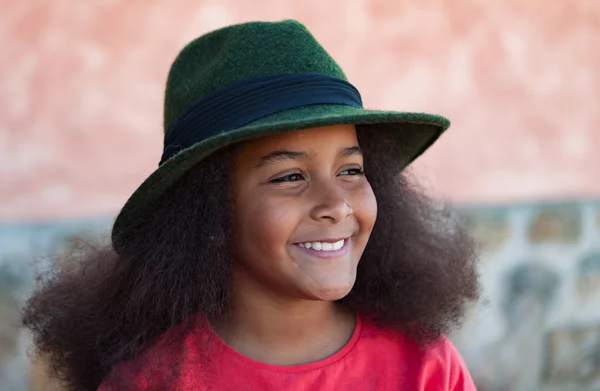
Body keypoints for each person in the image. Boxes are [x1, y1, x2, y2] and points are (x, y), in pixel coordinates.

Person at [22, 20, 480, 390]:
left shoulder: (425, 369)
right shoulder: (156, 382)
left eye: (351, 170)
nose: (337, 205)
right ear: (210, 210)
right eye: (290, 177)